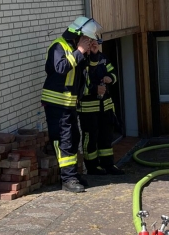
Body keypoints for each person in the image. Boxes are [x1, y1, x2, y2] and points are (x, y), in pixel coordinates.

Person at [42, 16, 101, 193]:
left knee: (74, 138)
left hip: (69, 105)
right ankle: (68, 179)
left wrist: (93, 53)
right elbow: (60, 68)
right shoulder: (58, 46)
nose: (89, 42)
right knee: (64, 140)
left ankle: (73, 174)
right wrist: (80, 51)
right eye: (88, 39)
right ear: (79, 36)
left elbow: (89, 70)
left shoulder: (76, 49)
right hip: (56, 104)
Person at [78, 40, 125, 176]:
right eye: (91, 42)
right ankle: (92, 167)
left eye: (96, 42)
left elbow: (114, 73)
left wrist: (110, 78)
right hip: (88, 108)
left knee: (106, 136)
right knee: (90, 137)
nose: (94, 45)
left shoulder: (103, 58)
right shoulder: (81, 60)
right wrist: (94, 90)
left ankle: (108, 164)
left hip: (106, 105)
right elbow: (80, 85)